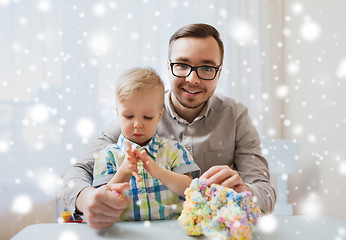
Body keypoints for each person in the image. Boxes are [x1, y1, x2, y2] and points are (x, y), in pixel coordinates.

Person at [59, 23, 276, 230]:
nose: (192, 79)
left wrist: (244, 191)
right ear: (169, 67)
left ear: (219, 72)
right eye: (182, 65)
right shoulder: (139, 113)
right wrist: (88, 200)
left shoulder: (236, 116)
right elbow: (75, 173)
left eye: (207, 68)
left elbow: (265, 191)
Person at [93, 67, 200, 221]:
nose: (137, 124)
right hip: (124, 233)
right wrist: (123, 173)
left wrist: (159, 172)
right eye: (129, 116)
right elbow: (101, 202)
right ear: (118, 114)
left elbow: (190, 190)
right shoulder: (107, 156)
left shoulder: (174, 150)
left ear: (159, 116)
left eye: (147, 117)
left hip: (170, 231)